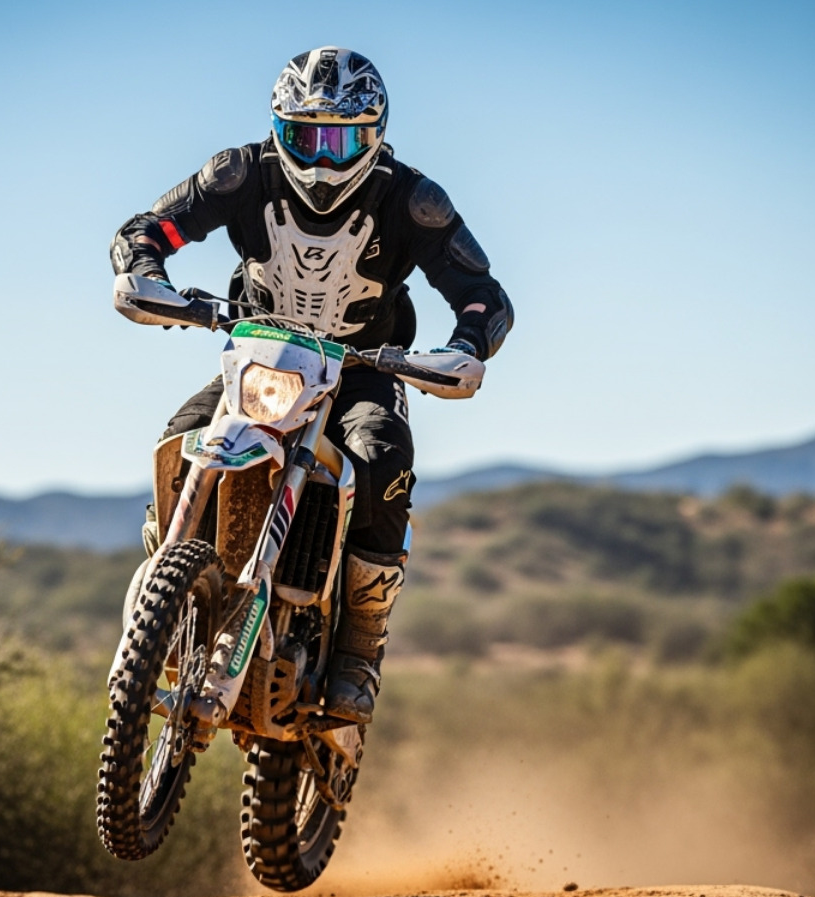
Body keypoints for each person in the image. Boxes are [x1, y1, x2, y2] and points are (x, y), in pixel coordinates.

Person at [109, 46, 513, 723]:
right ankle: (168, 603)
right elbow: (149, 228)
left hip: (364, 372)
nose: (323, 159)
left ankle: (359, 649)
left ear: (375, 134)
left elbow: (482, 293)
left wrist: (465, 345)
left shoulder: (413, 200)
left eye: (342, 140)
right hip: (260, 362)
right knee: (180, 440)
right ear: (278, 128)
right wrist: (146, 271)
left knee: (383, 458)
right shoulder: (240, 174)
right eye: (306, 136)